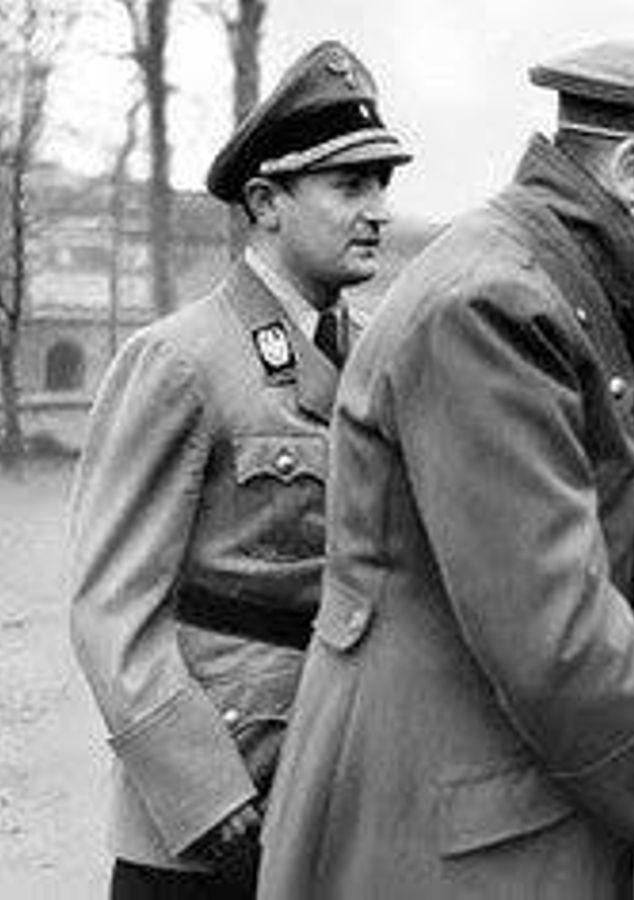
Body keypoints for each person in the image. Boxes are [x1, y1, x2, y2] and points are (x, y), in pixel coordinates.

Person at [256, 40, 634, 897]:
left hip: (498, 791)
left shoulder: (560, 280)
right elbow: (549, 627)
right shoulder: (495, 301)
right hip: (449, 813)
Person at [65, 41, 409, 899]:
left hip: (337, 775)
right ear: (266, 202)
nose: (376, 211)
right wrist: (200, 785)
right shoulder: (180, 360)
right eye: (348, 185)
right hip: (215, 804)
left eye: (382, 184)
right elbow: (111, 606)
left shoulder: (378, 353)